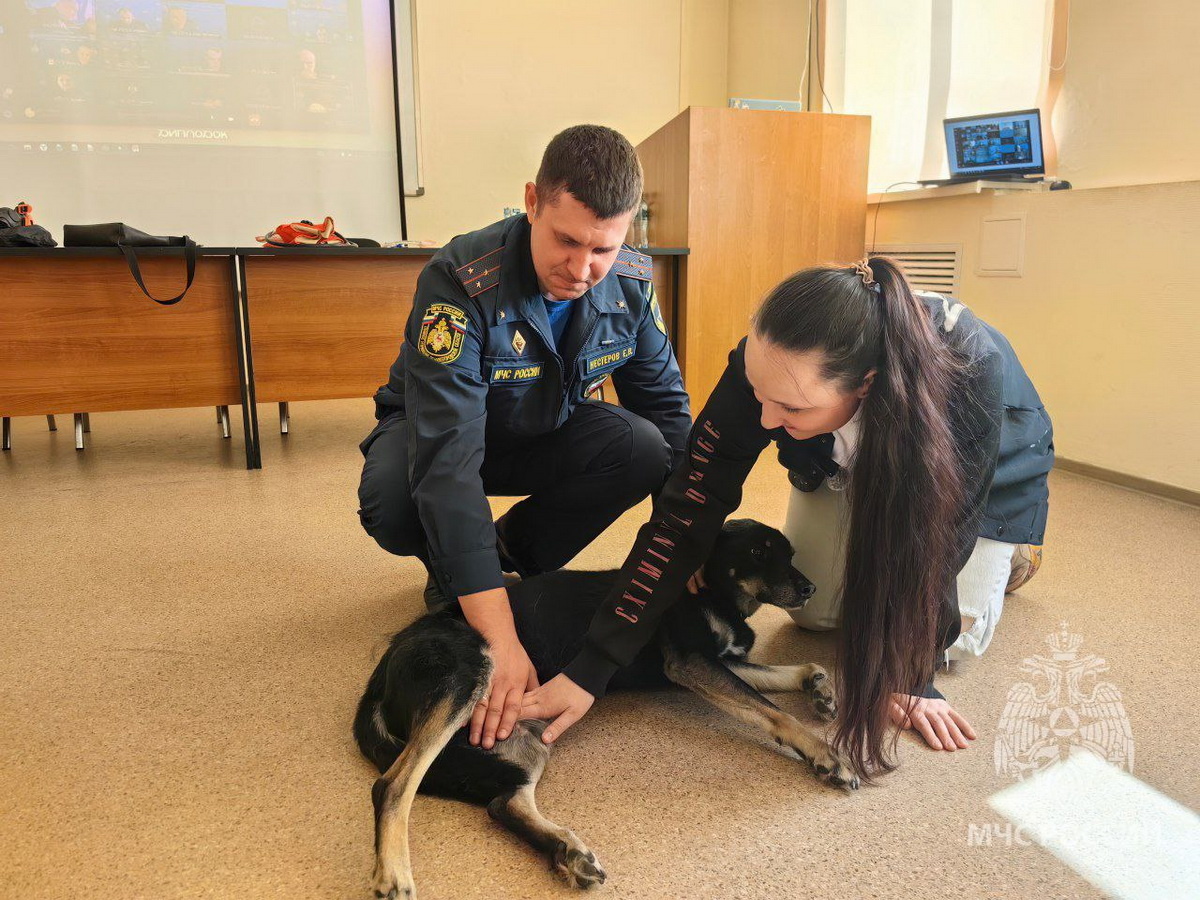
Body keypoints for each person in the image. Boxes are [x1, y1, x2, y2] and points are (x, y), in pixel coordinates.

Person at [521, 257, 1053, 778]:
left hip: (973, 488)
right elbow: (688, 504)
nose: (766, 420)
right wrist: (594, 662)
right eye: (758, 395)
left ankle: (1013, 555)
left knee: (948, 639)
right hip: (837, 461)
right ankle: (842, 480)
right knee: (816, 611)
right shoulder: (768, 371)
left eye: (792, 409)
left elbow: (939, 538)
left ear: (865, 384)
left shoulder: (969, 366)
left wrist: (911, 671)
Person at [357, 125, 691, 752]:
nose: (582, 268)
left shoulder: (631, 284)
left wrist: (683, 548)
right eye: (566, 240)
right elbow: (448, 464)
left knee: (646, 447)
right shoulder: (459, 280)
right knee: (396, 502)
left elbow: (671, 414)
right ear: (533, 200)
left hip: (544, 428)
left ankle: (509, 556)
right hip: (438, 434)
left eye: (603, 249)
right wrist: (501, 641)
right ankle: (454, 567)